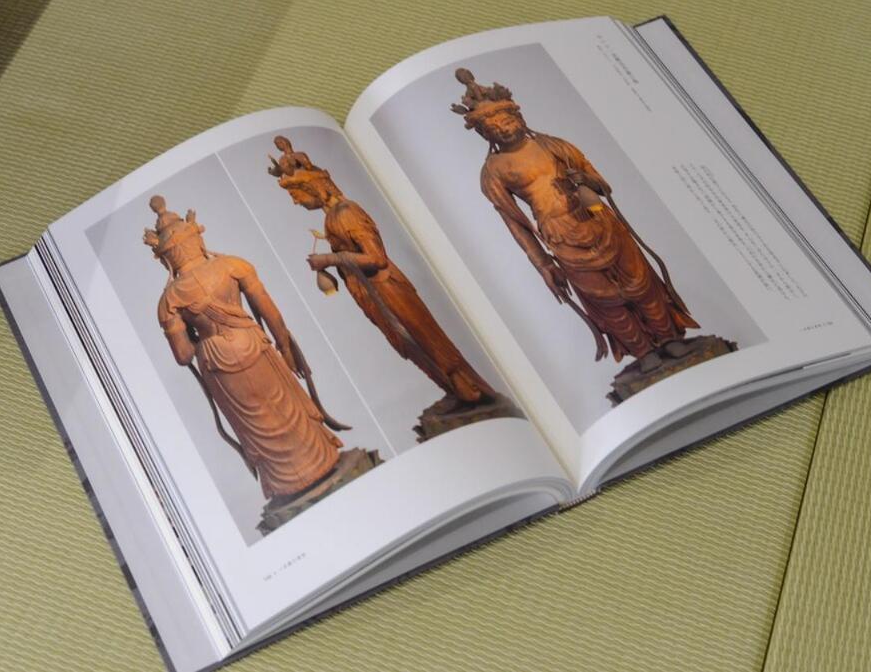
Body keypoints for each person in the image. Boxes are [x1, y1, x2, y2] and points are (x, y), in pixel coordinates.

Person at [452, 68, 698, 371]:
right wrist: (543, 264)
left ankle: (668, 337)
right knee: (605, 299)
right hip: (559, 236)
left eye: (507, 119)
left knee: (641, 282)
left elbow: (601, 184)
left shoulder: (553, 145)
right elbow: (515, 224)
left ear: (519, 117)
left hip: (597, 218)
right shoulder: (493, 171)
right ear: (483, 132)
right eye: (493, 125)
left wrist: (585, 181)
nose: (503, 128)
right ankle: (643, 350)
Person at [143, 195, 342, 501]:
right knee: (285, 405)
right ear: (197, 238)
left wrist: (198, 335)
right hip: (252, 344)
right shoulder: (232, 265)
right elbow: (271, 313)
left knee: (256, 425)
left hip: (215, 360)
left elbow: (183, 355)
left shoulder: (169, 300)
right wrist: (285, 347)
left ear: (166, 257)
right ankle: (320, 460)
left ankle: (284, 482)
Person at [270, 148, 495, 406]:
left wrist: (330, 259)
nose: (295, 202)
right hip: (371, 292)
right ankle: (451, 389)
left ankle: (466, 387)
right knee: (405, 343)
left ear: (312, 189)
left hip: (386, 287)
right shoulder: (332, 216)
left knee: (423, 336)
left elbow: (377, 259)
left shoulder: (346, 213)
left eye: (295, 195)